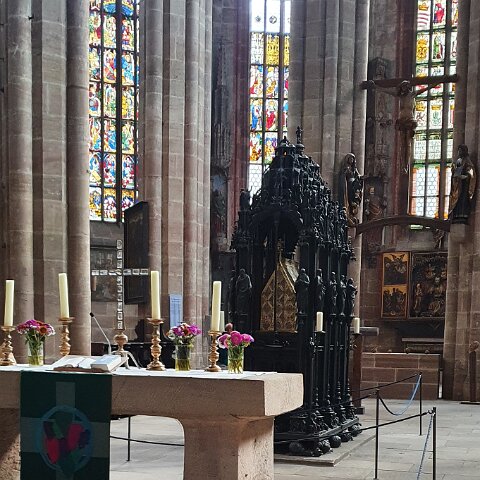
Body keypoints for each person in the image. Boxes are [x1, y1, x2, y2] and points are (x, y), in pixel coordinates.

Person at [449, 144, 477, 224]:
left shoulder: (467, 161)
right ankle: (456, 215)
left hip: (464, 185)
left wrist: (465, 176)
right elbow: (456, 171)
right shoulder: (458, 161)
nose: (459, 152)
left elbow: (471, 172)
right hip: (458, 185)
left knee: (463, 199)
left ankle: (462, 215)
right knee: (457, 201)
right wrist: (454, 172)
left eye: (460, 150)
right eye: (458, 151)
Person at [338, 153, 363, 227]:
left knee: (354, 196)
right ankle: (348, 212)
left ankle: (352, 210)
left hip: (353, 186)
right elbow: (343, 176)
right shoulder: (346, 168)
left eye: (353, 159)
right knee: (349, 197)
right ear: (347, 159)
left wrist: (362, 177)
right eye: (350, 159)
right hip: (348, 185)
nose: (351, 160)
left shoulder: (354, 169)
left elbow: (358, 176)